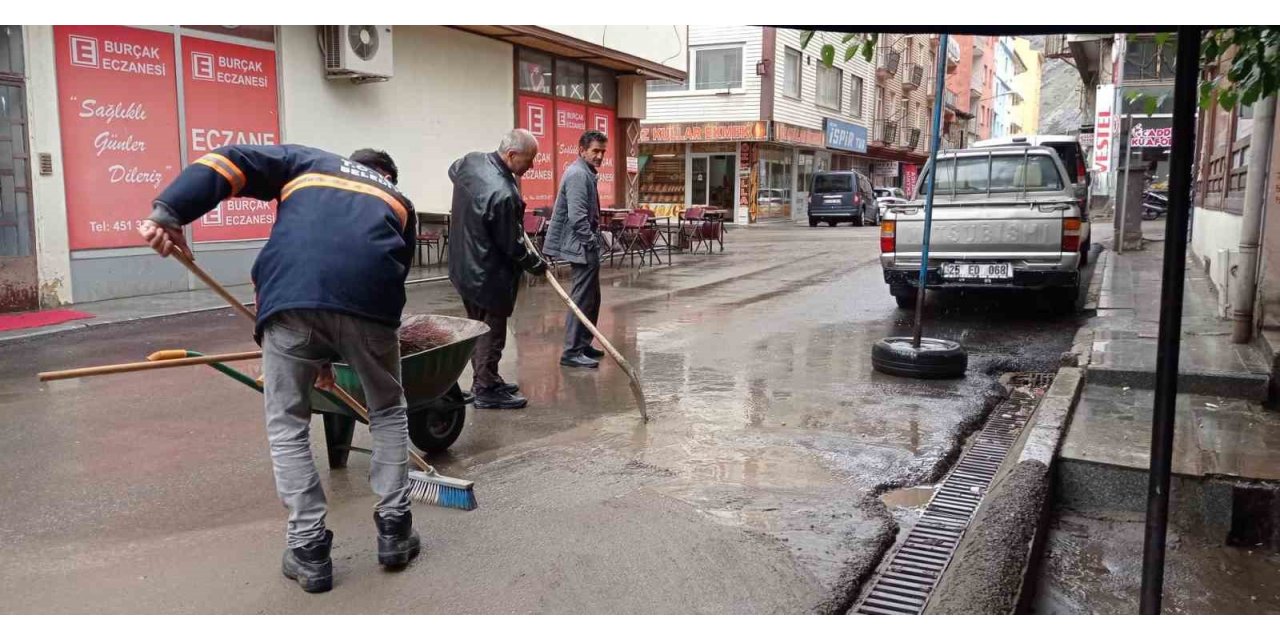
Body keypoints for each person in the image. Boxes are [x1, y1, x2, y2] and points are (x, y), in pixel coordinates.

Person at [137, 144, 420, 594]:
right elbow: (386, 274)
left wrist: (170, 211)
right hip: (371, 308)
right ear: (384, 176)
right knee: (387, 409)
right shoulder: (398, 200)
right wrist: (337, 348)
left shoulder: (306, 163)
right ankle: (395, 530)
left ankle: (308, 549)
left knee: (288, 423)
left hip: (291, 299)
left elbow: (228, 162)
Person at [447, 130, 548, 409]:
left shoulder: (470, 162)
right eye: (530, 159)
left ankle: (487, 377)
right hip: (487, 274)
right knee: (490, 331)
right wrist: (537, 264)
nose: (532, 165)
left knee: (477, 325)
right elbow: (513, 246)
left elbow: (452, 171)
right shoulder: (504, 193)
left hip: (462, 264)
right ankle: (485, 388)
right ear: (512, 155)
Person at [543, 130, 608, 369]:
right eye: (595, 151)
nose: (600, 156)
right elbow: (578, 217)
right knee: (581, 299)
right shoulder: (578, 175)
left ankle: (582, 343)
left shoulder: (585, 172)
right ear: (581, 150)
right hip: (581, 246)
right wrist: (592, 243)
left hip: (583, 245)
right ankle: (571, 351)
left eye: (603, 151)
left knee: (591, 298)